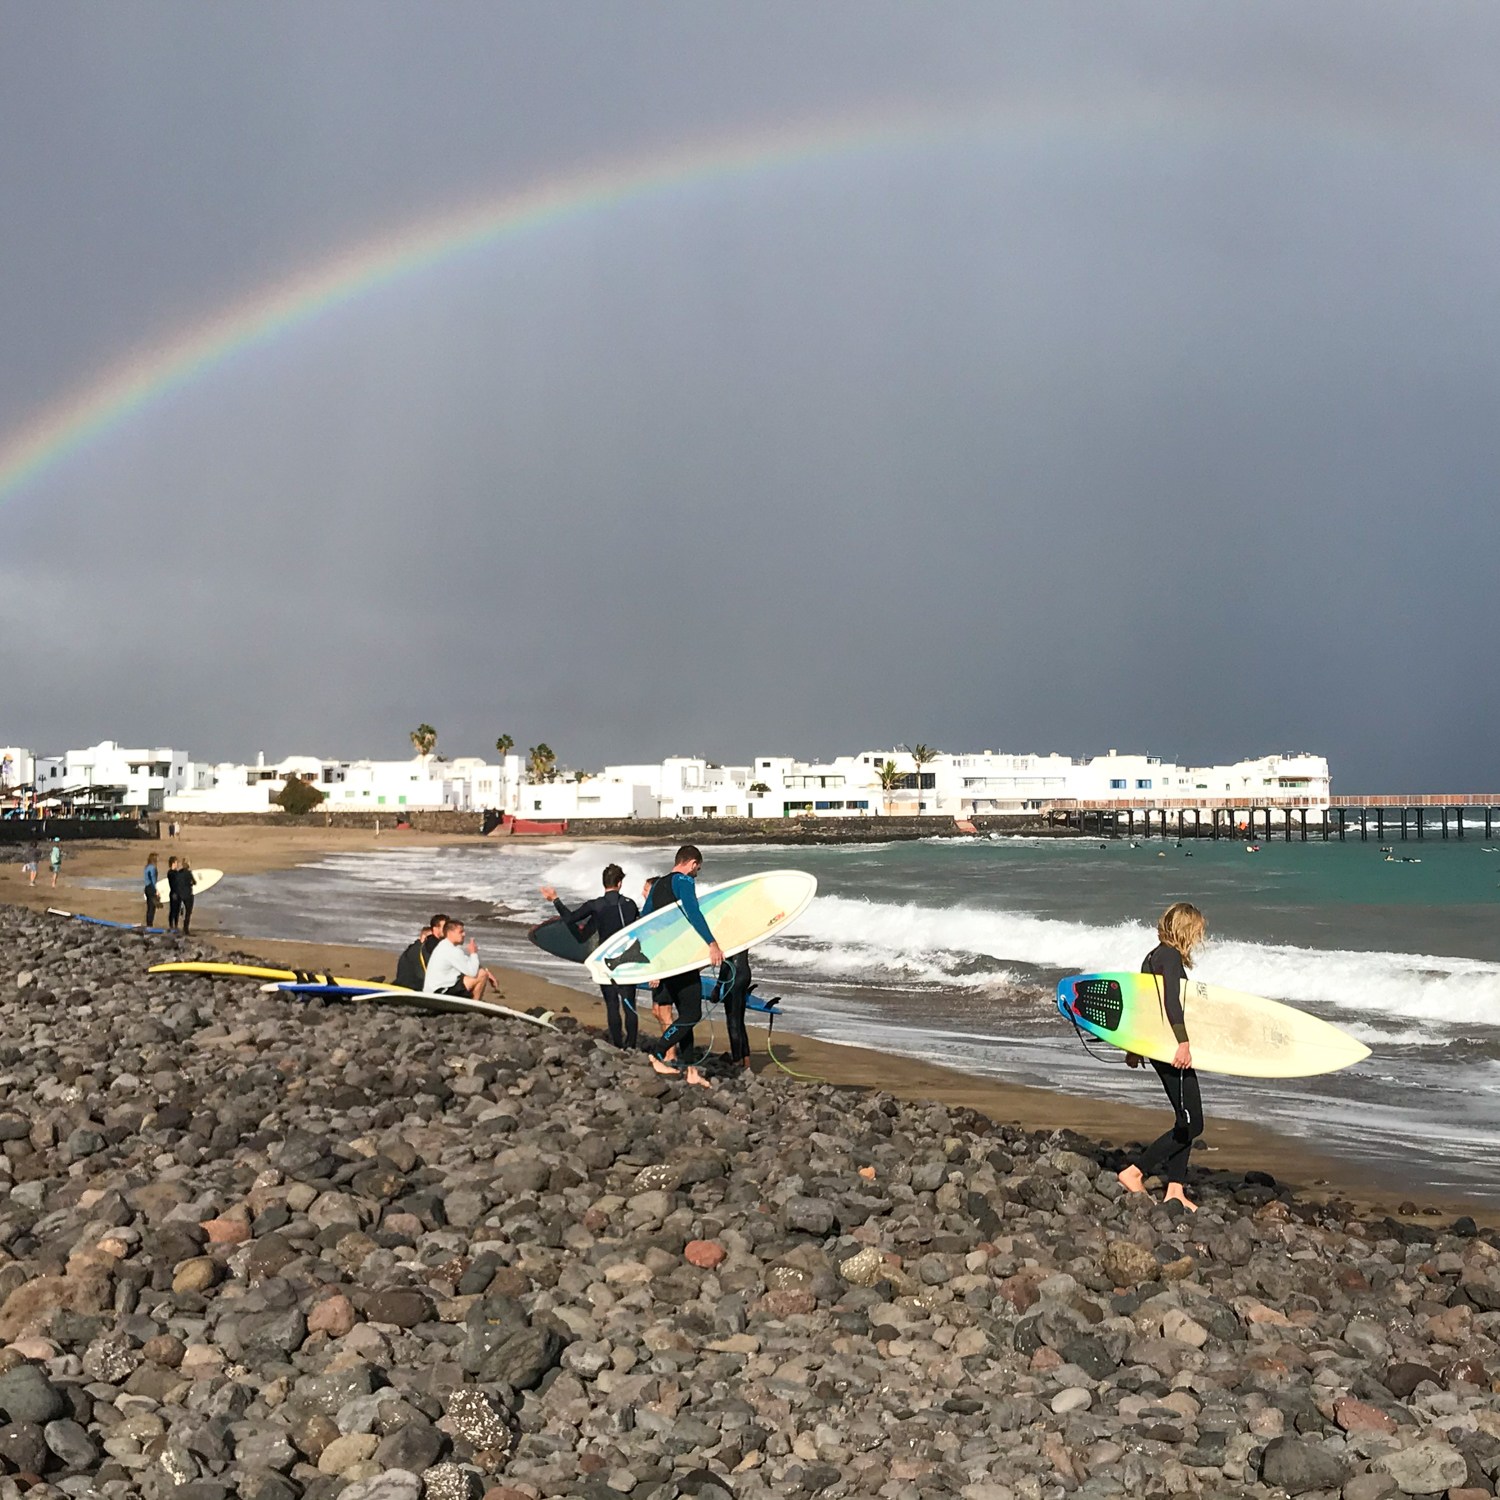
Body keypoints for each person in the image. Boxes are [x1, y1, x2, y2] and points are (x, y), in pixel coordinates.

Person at [1117, 902, 1207, 1212]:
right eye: (1196, 930)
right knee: (1193, 1122)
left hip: (1158, 1045)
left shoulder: (1152, 956)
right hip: (1171, 1049)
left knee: (1184, 1118)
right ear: (1185, 929)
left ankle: (1175, 1190)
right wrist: (1183, 1042)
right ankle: (1136, 1171)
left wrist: (1135, 1046)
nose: (1198, 936)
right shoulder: (1168, 956)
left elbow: (1145, 1007)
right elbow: (1170, 1002)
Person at [641, 846, 723, 1089]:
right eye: (698, 867)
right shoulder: (684, 880)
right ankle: (657, 1053)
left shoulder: (657, 885)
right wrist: (712, 943)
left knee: (685, 1017)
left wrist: (654, 962)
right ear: (693, 863)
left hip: (667, 961)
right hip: (680, 961)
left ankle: (691, 1071)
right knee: (691, 1015)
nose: (698, 872)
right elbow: (693, 911)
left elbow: (644, 923)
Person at [540, 863, 640, 1049]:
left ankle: (618, 1045)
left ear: (604, 883)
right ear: (619, 883)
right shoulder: (630, 905)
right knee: (629, 1003)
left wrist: (555, 900)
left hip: (605, 960)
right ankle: (632, 1044)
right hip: (628, 959)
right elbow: (639, 929)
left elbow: (571, 920)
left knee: (612, 1003)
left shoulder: (595, 906)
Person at [423, 918, 501, 1001]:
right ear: (450, 933)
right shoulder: (451, 950)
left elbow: (466, 961)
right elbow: (472, 972)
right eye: (461, 932)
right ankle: (474, 1004)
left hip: (433, 990)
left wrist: (488, 972)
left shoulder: (444, 945)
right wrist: (473, 953)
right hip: (441, 991)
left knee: (480, 972)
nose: (464, 934)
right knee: (482, 974)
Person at [714, 949, 753, 1070]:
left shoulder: (728, 935)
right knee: (740, 1020)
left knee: (732, 1021)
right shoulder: (741, 933)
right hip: (746, 974)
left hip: (734, 977)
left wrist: (718, 986)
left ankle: (737, 1060)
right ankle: (746, 1059)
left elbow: (726, 964)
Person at [394, 922, 435, 991]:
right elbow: (421, 974)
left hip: (406, 983)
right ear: (423, 937)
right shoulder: (418, 950)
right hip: (410, 986)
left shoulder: (414, 949)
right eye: (430, 938)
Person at [178, 859, 197, 935]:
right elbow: (194, 882)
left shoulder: (179, 873)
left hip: (180, 894)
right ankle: (186, 929)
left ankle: (175, 926)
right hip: (188, 894)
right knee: (188, 912)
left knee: (178, 911)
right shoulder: (189, 873)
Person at [165, 856, 183, 931]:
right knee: (173, 909)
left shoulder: (176, 872)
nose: (177, 864)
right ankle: (171, 925)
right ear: (173, 863)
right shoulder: (170, 873)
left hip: (178, 893)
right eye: (176, 863)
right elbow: (174, 883)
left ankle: (176, 925)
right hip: (173, 892)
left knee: (177, 910)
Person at [143, 853, 159, 929]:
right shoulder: (153, 868)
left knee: (149, 907)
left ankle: (148, 924)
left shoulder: (146, 867)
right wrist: (156, 890)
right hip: (151, 888)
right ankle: (150, 925)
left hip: (146, 888)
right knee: (152, 908)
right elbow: (153, 879)